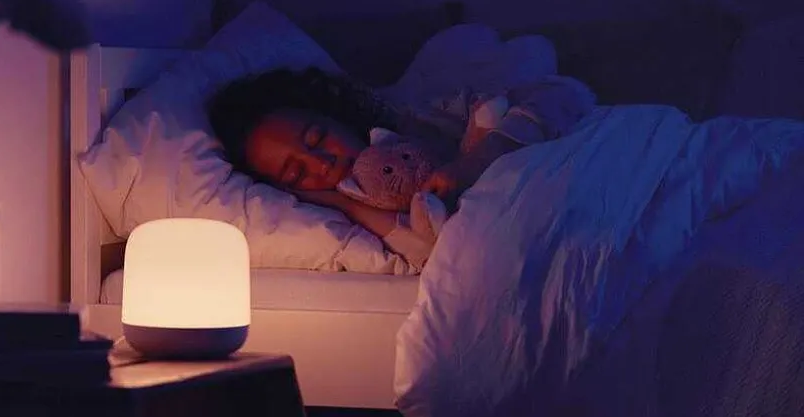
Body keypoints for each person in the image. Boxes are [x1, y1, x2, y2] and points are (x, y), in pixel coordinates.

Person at [206, 66, 595, 267]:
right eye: (297, 173)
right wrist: (345, 203)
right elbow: (435, 253)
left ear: (332, 115)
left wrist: (475, 161)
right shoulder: (348, 218)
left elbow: (563, 94)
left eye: (318, 138)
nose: (322, 164)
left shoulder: (418, 121)